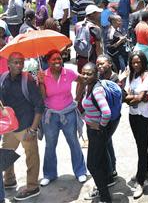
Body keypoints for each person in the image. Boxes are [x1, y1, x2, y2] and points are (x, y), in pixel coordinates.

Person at [36, 50, 87, 187]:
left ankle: (80, 171)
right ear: (48, 62)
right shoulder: (43, 75)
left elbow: (82, 80)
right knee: (50, 145)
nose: (57, 61)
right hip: (50, 116)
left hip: (68, 113)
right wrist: (40, 82)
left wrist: (77, 98)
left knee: (73, 142)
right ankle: (49, 174)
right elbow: (42, 97)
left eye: (59, 59)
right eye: (53, 60)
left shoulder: (68, 72)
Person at [0, 52, 44, 201]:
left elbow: (39, 106)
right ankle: (10, 180)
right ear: (8, 64)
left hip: (26, 126)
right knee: (6, 153)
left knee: (31, 157)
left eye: (21, 62)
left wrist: (33, 129)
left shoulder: (28, 80)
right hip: (10, 127)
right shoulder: (3, 78)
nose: (19, 65)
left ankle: (32, 187)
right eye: (15, 62)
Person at [122, 51, 148, 199]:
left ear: (143, 62)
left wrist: (132, 98)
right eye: (133, 63)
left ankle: (140, 182)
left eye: (138, 62)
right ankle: (145, 170)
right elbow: (125, 96)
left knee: (142, 147)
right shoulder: (131, 76)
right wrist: (133, 98)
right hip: (133, 116)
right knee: (140, 145)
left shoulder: (147, 76)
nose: (136, 65)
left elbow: (139, 98)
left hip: (145, 117)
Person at [80, 63, 113, 203]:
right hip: (93, 131)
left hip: (97, 132)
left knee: (92, 165)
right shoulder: (88, 86)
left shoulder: (97, 90)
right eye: (84, 73)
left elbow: (106, 112)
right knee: (100, 162)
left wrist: (99, 126)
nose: (86, 76)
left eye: (89, 73)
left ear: (96, 74)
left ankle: (105, 198)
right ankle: (103, 190)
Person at [96, 54, 119, 178]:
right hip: (101, 115)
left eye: (102, 63)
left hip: (112, 116)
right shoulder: (99, 76)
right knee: (107, 142)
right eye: (97, 64)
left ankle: (110, 171)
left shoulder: (115, 78)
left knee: (105, 142)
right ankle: (111, 169)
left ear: (110, 64)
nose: (99, 66)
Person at [74, 5, 103, 72]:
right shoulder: (95, 28)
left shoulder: (78, 25)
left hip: (80, 58)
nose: (100, 15)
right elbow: (98, 48)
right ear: (93, 14)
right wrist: (100, 60)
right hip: (91, 59)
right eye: (98, 13)